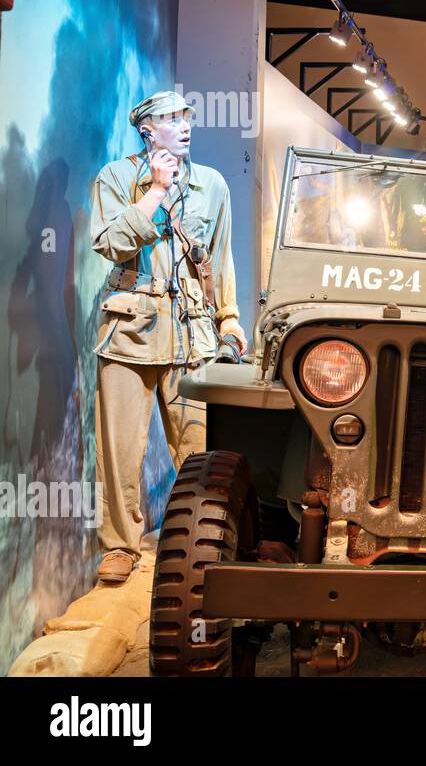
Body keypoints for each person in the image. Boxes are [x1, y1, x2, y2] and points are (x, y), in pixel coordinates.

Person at [90, 90, 246, 584]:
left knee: (200, 453)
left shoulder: (212, 185)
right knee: (119, 451)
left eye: (187, 116)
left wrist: (230, 320)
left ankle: (207, 545)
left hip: (191, 336)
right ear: (146, 129)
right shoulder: (116, 177)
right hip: (129, 334)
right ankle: (120, 545)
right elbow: (110, 243)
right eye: (171, 118)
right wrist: (155, 190)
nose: (185, 125)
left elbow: (219, 259)